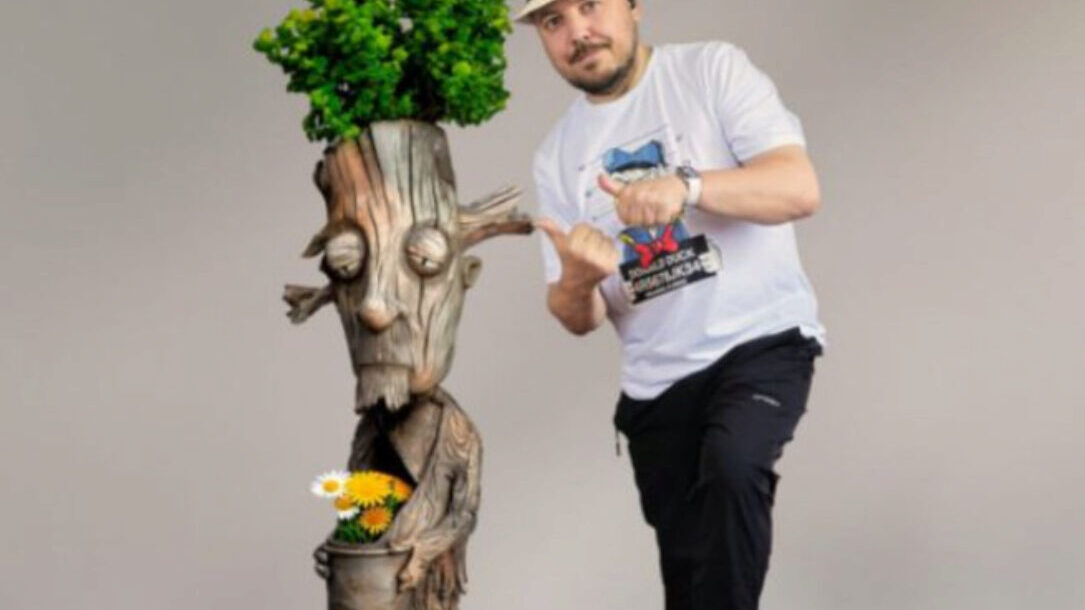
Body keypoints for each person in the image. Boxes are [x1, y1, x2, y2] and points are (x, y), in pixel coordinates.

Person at [515, 0, 828, 608]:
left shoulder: (710, 71)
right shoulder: (556, 154)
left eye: (588, 5)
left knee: (734, 466)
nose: (577, 31)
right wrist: (578, 279)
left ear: (634, 6)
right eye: (553, 21)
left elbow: (798, 188)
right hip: (656, 387)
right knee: (690, 576)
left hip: (760, 343)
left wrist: (687, 187)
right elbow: (578, 316)